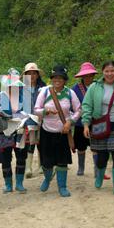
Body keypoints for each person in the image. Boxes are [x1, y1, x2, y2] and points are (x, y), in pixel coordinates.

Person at [82, 61, 114, 196]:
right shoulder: (95, 87)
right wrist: (86, 124)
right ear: (103, 72)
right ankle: (99, 176)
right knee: (102, 156)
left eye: (112, 71)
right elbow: (87, 106)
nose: (110, 74)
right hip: (100, 125)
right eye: (107, 71)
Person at [34, 65, 81, 197]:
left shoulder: (70, 93)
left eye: (60, 77)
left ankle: (62, 186)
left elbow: (78, 110)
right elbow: (36, 109)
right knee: (46, 162)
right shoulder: (44, 92)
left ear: (65, 80)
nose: (57, 80)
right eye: (55, 77)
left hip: (63, 133)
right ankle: (47, 178)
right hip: (46, 132)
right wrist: (45, 111)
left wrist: (70, 122)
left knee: (62, 161)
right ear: (52, 79)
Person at [72, 62, 110, 180]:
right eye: (85, 75)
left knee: (96, 147)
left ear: (93, 75)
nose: (88, 77)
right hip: (80, 122)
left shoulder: (99, 86)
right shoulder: (75, 89)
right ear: (81, 76)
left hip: (97, 121)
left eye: (90, 75)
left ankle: (97, 170)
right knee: (81, 147)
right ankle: (81, 167)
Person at [0, 68, 30, 194]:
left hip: (20, 129)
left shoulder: (23, 97)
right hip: (5, 131)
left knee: (21, 156)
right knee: (5, 158)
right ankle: (8, 184)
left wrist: (22, 117)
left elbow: (27, 112)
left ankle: (19, 183)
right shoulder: (1, 96)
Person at [21, 62, 46, 178]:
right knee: (29, 142)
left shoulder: (43, 87)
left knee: (41, 142)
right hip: (26, 120)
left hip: (42, 118)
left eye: (34, 73)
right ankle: (28, 167)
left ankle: (41, 165)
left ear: (37, 75)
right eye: (29, 73)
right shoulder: (20, 87)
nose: (32, 75)